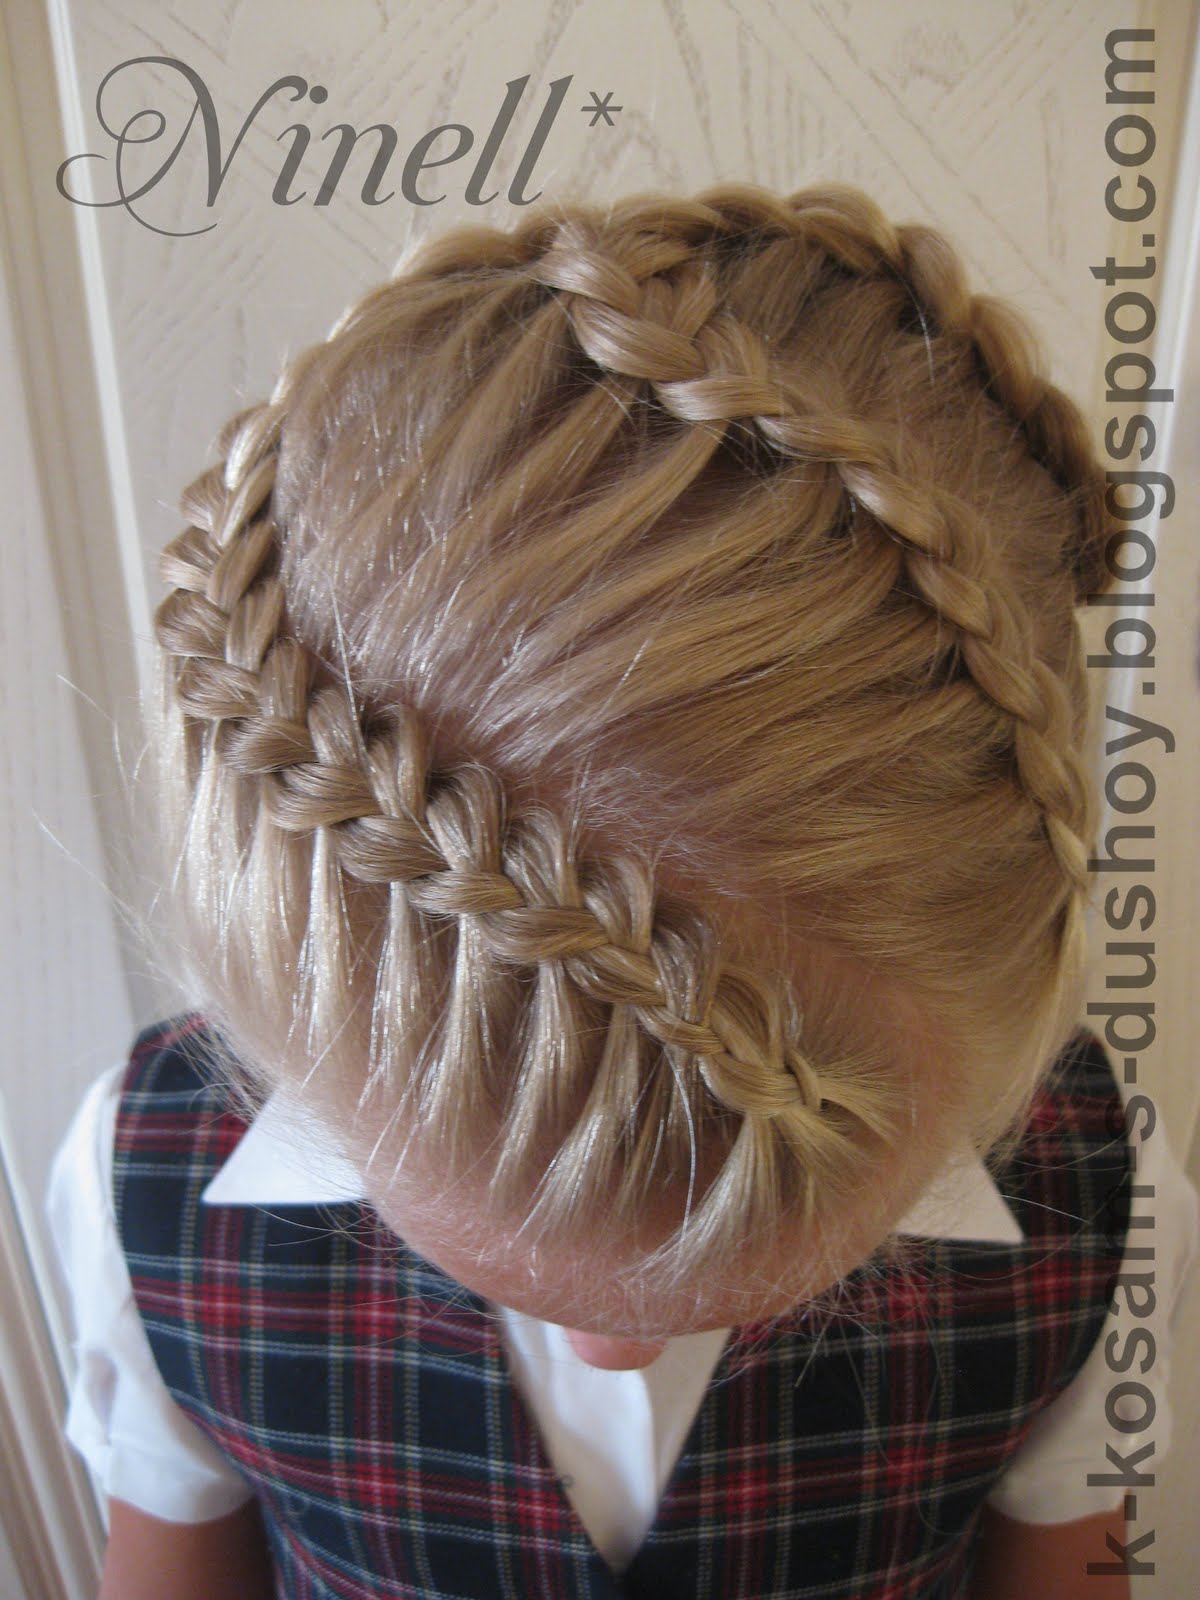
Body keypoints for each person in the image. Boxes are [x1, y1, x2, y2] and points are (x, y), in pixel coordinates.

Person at [46, 182, 1197, 1600]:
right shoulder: (145, 1191)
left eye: (776, 1287)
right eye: (511, 1277)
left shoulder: (1103, 1208)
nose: (614, 1348)